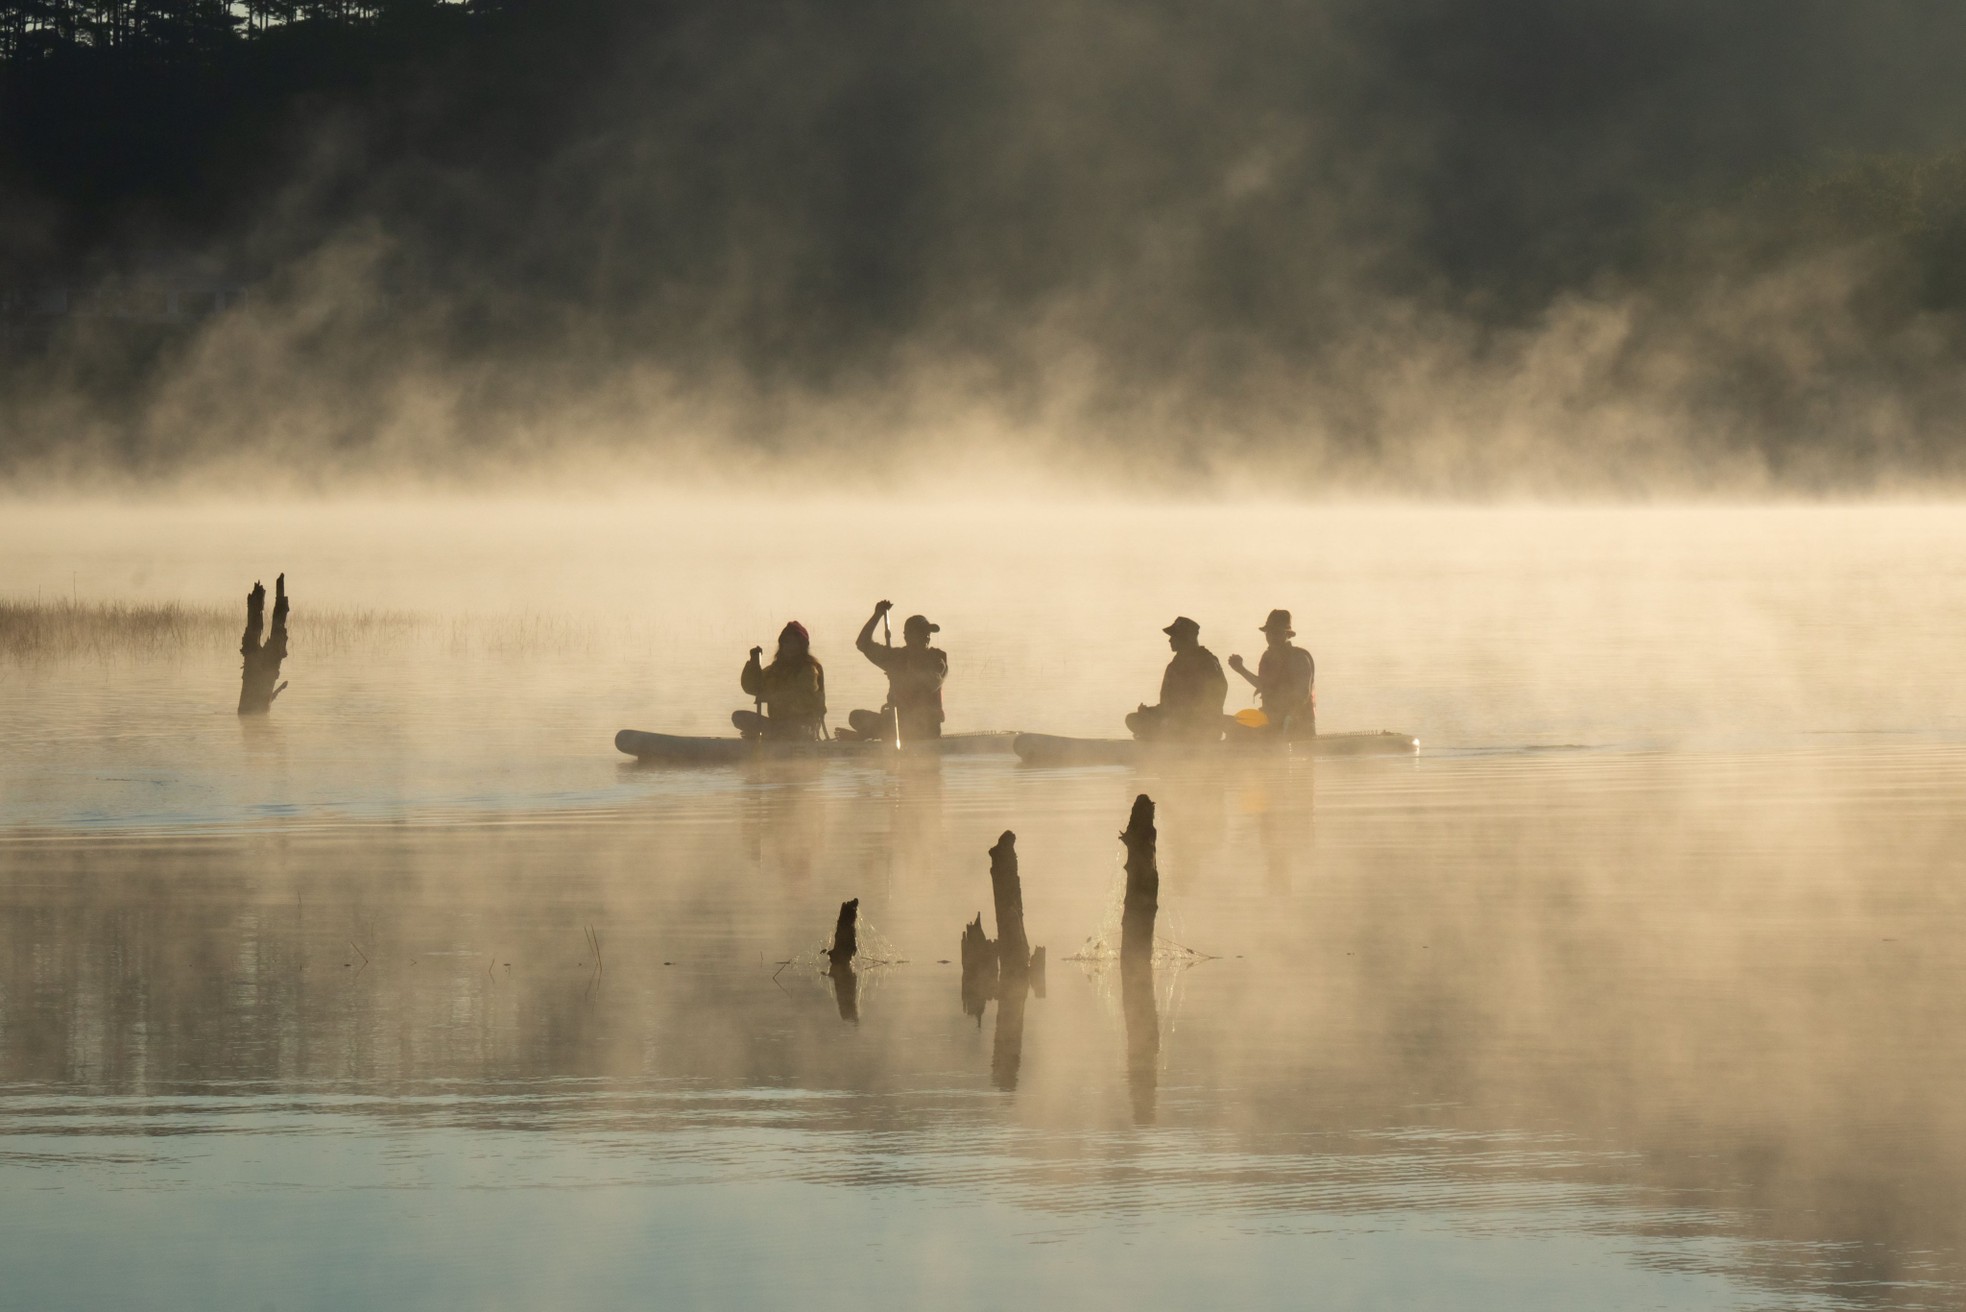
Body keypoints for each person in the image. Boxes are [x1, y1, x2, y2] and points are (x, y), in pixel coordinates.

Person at [841, 600, 948, 743]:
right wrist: (877, 615)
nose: (927, 637)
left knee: (898, 723)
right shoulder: (896, 657)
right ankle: (871, 735)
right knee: (855, 716)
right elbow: (863, 644)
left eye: (927, 633)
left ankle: (864, 736)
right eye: (922, 633)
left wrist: (901, 676)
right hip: (896, 724)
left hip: (926, 728)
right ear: (907, 637)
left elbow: (930, 683)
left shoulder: (937, 659)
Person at [1125, 616, 1228, 741]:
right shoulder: (1175, 664)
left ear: (1188, 638)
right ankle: (1160, 734)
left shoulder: (1207, 663)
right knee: (1132, 719)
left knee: (1168, 724)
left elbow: (1208, 702)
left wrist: (1172, 718)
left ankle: (1161, 736)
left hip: (1200, 726)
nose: (1170, 640)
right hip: (1176, 721)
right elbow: (1169, 704)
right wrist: (1150, 711)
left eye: (1175, 636)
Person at [732, 621, 827, 740]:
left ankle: (768, 738)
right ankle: (764, 739)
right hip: (777, 725)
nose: (790, 646)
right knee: (738, 717)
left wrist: (773, 697)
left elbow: (803, 699)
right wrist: (753, 665)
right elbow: (752, 687)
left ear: (802, 646)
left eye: (794, 643)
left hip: (802, 728)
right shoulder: (775, 669)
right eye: (786, 642)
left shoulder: (809, 670)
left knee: (788, 728)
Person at [1228, 609, 1315, 737]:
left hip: (1298, 723)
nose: (1272, 637)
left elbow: (1302, 694)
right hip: (1272, 721)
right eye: (1269, 633)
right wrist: (1241, 669)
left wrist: (1290, 717)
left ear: (1287, 635)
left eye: (1277, 633)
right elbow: (1263, 685)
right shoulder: (1268, 657)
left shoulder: (1299, 658)